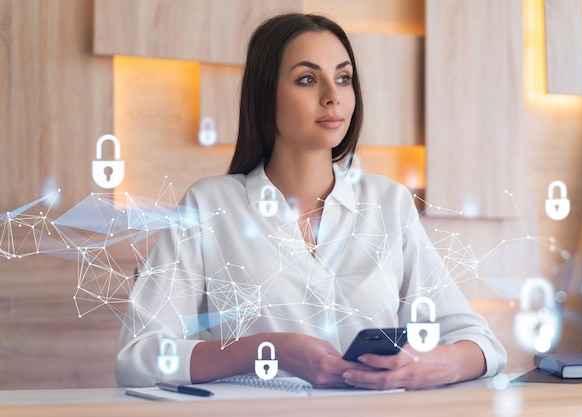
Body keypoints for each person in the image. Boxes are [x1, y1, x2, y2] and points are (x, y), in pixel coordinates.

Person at [115, 12, 507, 390]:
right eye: (307, 79)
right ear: (266, 94)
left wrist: (428, 366)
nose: (332, 96)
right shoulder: (209, 205)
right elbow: (137, 358)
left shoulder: (389, 203)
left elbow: (482, 345)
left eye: (343, 78)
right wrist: (272, 350)